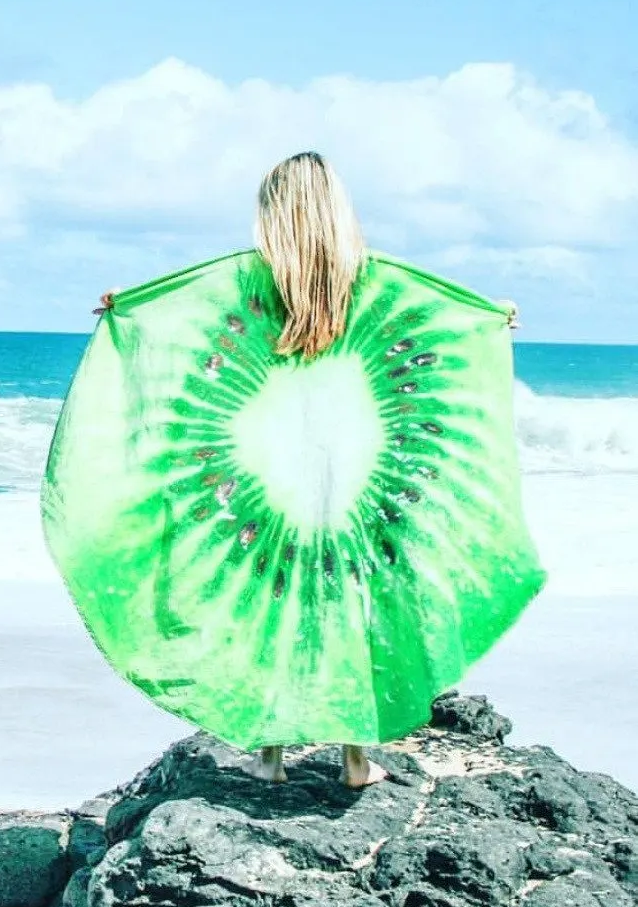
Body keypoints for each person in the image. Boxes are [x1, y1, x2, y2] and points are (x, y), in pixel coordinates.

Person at [95, 150, 518, 789]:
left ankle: (269, 756)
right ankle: (354, 757)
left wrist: (130, 307)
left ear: (271, 215)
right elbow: (436, 310)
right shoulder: (373, 279)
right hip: (359, 466)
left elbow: (184, 311)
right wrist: (490, 316)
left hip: (266, 465)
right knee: (357, 594)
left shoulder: (247, 282)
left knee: (269, 599)